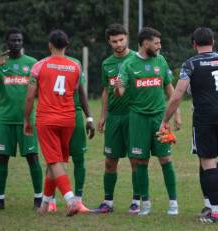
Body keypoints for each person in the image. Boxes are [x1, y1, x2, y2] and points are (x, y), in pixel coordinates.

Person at [159, 27, 218, 223]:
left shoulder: (190, 64)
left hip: (204, 119)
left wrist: (164, 120)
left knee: (208, 163)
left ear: (194, 44)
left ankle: (216, 213)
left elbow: (177, 95)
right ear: (213, 41)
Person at [114, 27, 181, 216]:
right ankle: (145, 204)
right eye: (157, 43)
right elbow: (121, 93)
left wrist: (176, 113)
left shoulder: (160, 60)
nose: (159, 46)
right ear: (145, 43)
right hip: (138, 119)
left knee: (165, 159)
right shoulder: (129, 64)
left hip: (160, 118)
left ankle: (173, 203)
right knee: (140, 161)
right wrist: (118, 89)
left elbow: (169, 87)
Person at [0, 28, 43, 210]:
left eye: (19, 40)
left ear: (22, 42)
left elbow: (42, 88)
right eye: (12, 41)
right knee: (2, 160)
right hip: (4, 121)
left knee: (32, 158)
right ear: (6, 43)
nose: (16, 43)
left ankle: (38, 198)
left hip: (27, 121)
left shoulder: (32, 63)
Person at [23, 29, 83, 216]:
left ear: (50, 45)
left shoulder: (39, 66)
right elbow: (74, 91)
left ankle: (70, 200)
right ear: (67, 45)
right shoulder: (75, 67)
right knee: (54, 162)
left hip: (47, 118)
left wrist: (26, 119)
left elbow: (30, 96)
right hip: (68, 119)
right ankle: (45, 204)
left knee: (54, 160)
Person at [93, 23, 140, 215]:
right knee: (110, 161)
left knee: (135, 160)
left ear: (127, 38)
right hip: (114, 117)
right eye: (114, 41)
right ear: (109, 42)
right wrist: (103, 116)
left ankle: (136, 201)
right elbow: (105, 91)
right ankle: (107, 202)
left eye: (121, 39)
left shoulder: (138, 59)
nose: (119, 44)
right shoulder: (107, 64)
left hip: (134, 116)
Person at [47, 56, 95, 213]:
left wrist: (89, 117)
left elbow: (80, 91)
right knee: (54, 160)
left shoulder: (75, 63)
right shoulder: (45, 64)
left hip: (73, 115)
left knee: (79, 158)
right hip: (55, 116)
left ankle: (78, 201)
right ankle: (50, 200)